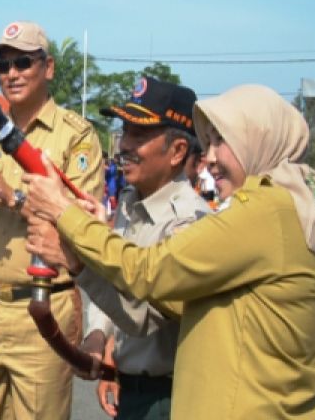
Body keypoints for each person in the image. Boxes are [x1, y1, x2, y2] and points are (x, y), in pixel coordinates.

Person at [24, 84, 315, 420]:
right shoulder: (288, 206)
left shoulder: (266, 210)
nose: (210, 157)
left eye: (222, 140)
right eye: (210, 141)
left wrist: (64, 213)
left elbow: (148, 273)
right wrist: (81, 263)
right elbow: (169, 301)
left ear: (259, 141)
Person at [27, 78, 211, 419]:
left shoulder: (190, 222)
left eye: (139, 135)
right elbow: (115, 278)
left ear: (177, 152)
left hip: (169, 398)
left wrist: (75, 262)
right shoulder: (129, 202)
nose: (124, 144)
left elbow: (144, 318)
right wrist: (100, 336)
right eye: (124, 130)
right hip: (132, 387)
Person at [0, 20, 103, 420]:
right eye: (3, 66)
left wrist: (11, 196)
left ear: (48, 68)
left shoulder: (76, 136)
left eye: (23, 63)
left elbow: (80, 227)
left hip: (44, 307)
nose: (12, 74)